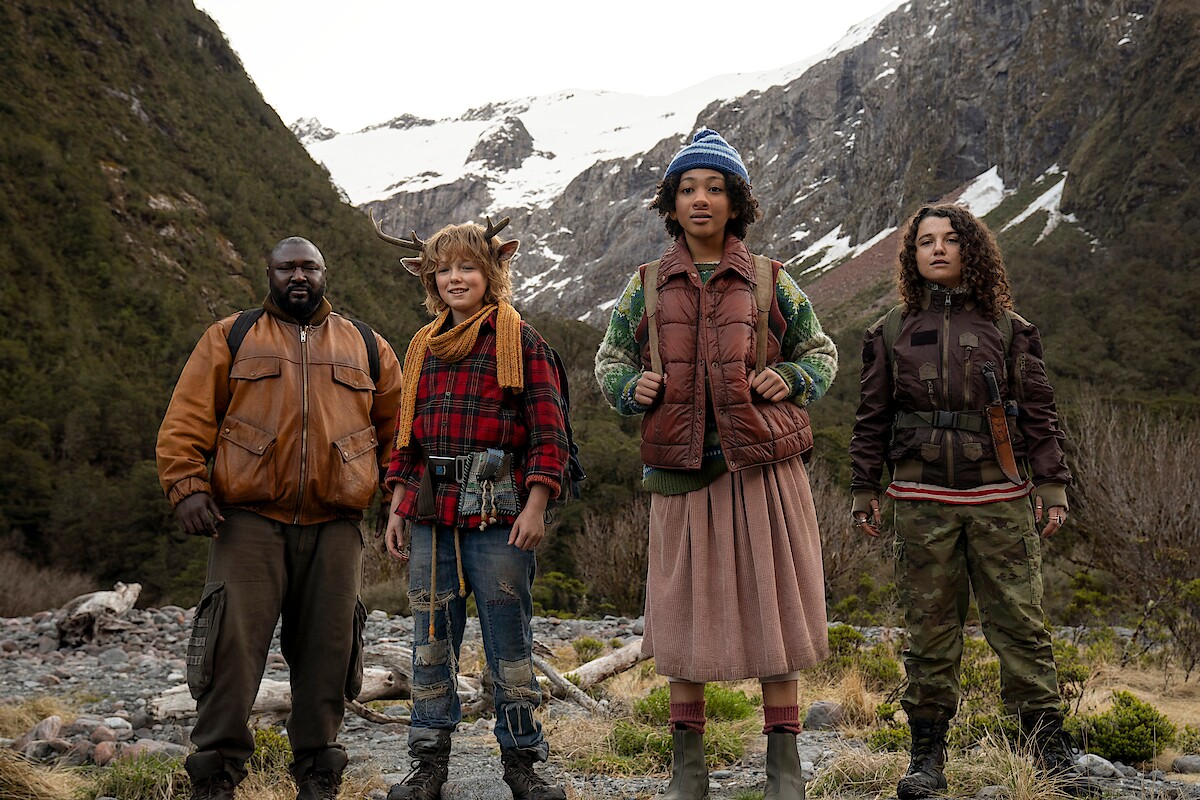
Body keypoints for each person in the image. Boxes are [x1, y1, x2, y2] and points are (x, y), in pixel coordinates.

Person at [594, 129, 838, 800]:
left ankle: (784, 773)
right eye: (688, 189)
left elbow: (821, 350)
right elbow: (609, 358)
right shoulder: (644, 286)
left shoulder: (769, 281)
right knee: (680, 617)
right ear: (671, 203)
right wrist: (626, 388)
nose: (701, 199)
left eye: (716, 188)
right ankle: (687, 773)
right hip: (682, 473)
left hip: (762, 470)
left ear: (736, 203)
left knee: (778, 611)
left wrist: (791, 377)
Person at [848, 204, 1087, 798]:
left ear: (970, 250)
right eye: (925, 241)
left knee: (1022, 624)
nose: (937, 249)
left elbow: (1038, 412)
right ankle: (926, 757)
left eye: (950, 240)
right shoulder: (888, 329)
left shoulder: (1009, 329)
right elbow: (871, 417)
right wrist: (863, 487)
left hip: (998, 497)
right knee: (928, 633)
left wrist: (1052, 486)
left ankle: (1046, 747)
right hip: (919, 500)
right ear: (912, 255)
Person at [156, 237, 404, 800]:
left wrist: (396, 494)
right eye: (288, 267)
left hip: (337, 525)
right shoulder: (231, 336)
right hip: (246, 522)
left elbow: (397, 432)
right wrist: (187, 487)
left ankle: (318, 771)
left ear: (324, 273)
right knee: (230, 650)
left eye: (309, 267)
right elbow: (185, 420)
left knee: (330, 650)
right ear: (268, 273)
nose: (299, 276)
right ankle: (216, 774)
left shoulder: (366, 345)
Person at [372, 216, 569, 800]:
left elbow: (548, 431)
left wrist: (537, 504)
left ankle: (523, 764)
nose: (455, 278)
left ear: (492, 272)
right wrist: (398, 505)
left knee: (509, 637)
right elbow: (409, 438)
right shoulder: (423, 348)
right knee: (430, 638)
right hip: (433, 514)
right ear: (429, 280)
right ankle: (428, 763)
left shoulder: (521, 341)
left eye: (467, 267)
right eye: (443, 270)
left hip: (500, 514)